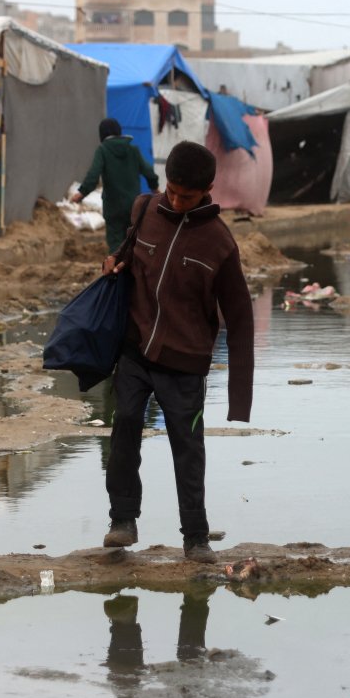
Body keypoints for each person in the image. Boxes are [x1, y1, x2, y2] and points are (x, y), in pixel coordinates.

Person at [99, 142, 254, 564]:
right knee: (126, 426)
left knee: (187, 446)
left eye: (186, 196)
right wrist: (114, 261)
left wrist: (240, 399)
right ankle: (123, 520)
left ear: (207, 190)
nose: (175, 200)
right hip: (136, 348)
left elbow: (240, 317)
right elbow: (128, 258)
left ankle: (196, 537)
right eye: (171, 190)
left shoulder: (220, 244)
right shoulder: (144, 211)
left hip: (185, 362)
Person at [74, 117, 159, 255]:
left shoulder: (103, 150)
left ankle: (117, 272)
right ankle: (133, 272)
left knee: (116, 246)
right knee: (133, 242)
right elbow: (149, 172)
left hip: (113, 207)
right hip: (134, 206)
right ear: (119, 131)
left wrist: (81, 193)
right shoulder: (133, 150)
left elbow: (93, 175)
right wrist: (154, 188)